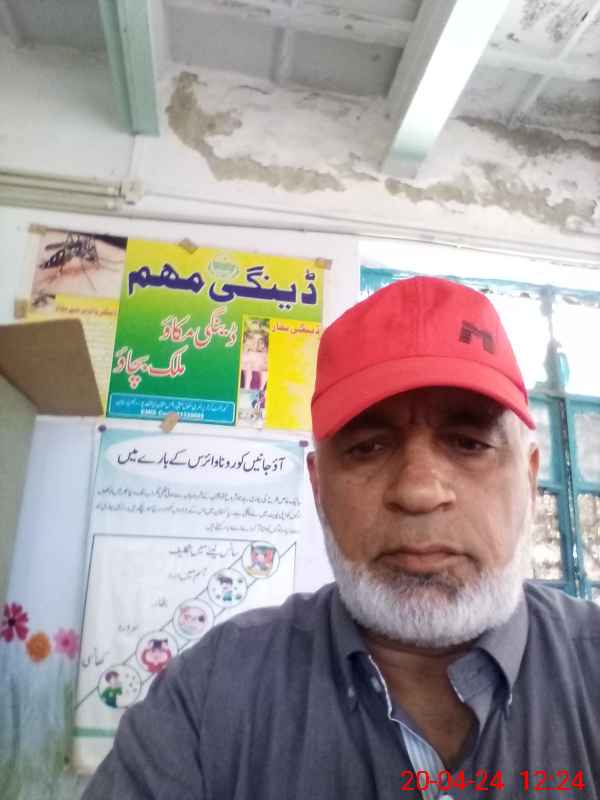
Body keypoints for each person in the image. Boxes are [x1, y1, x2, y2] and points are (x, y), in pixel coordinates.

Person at [83, 277, 600, 799]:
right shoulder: (209, 695)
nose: (418, 491)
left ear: (530, 477)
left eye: (468, 443)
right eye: (368, 447)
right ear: (318, 487)